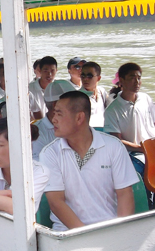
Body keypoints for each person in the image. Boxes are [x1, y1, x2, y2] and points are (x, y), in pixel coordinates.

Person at [40, 91, 138, 231]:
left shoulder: (114, 146)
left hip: (109, 229)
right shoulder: (49, 153)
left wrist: (120, 232)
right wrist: (86, 236)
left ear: (79, 118)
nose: (54, 119)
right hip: (69, 233)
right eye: (54, 113)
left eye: (59, 114)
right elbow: (56, 202)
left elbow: (125, 194)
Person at [104, 63, 155, 152]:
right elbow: (117, 140)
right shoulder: (112, 110)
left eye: (139, 78)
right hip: (134, 153)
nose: (137, 82)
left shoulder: (145, 98)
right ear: (121, 80)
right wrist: (142, 149)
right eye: (132, 78)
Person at [33, 80, 76, 159]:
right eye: (73, 102)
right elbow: (40, 164)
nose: (77, 105)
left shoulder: (76, 124)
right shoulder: (36, 133)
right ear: (56, 105)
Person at [79, 61, 110, 129]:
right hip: (87, 132)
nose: (85, 79)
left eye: (89, 76)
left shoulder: (102, 92)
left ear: (98, 78)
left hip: (103, 131)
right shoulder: (78, 97)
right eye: (83, 75)